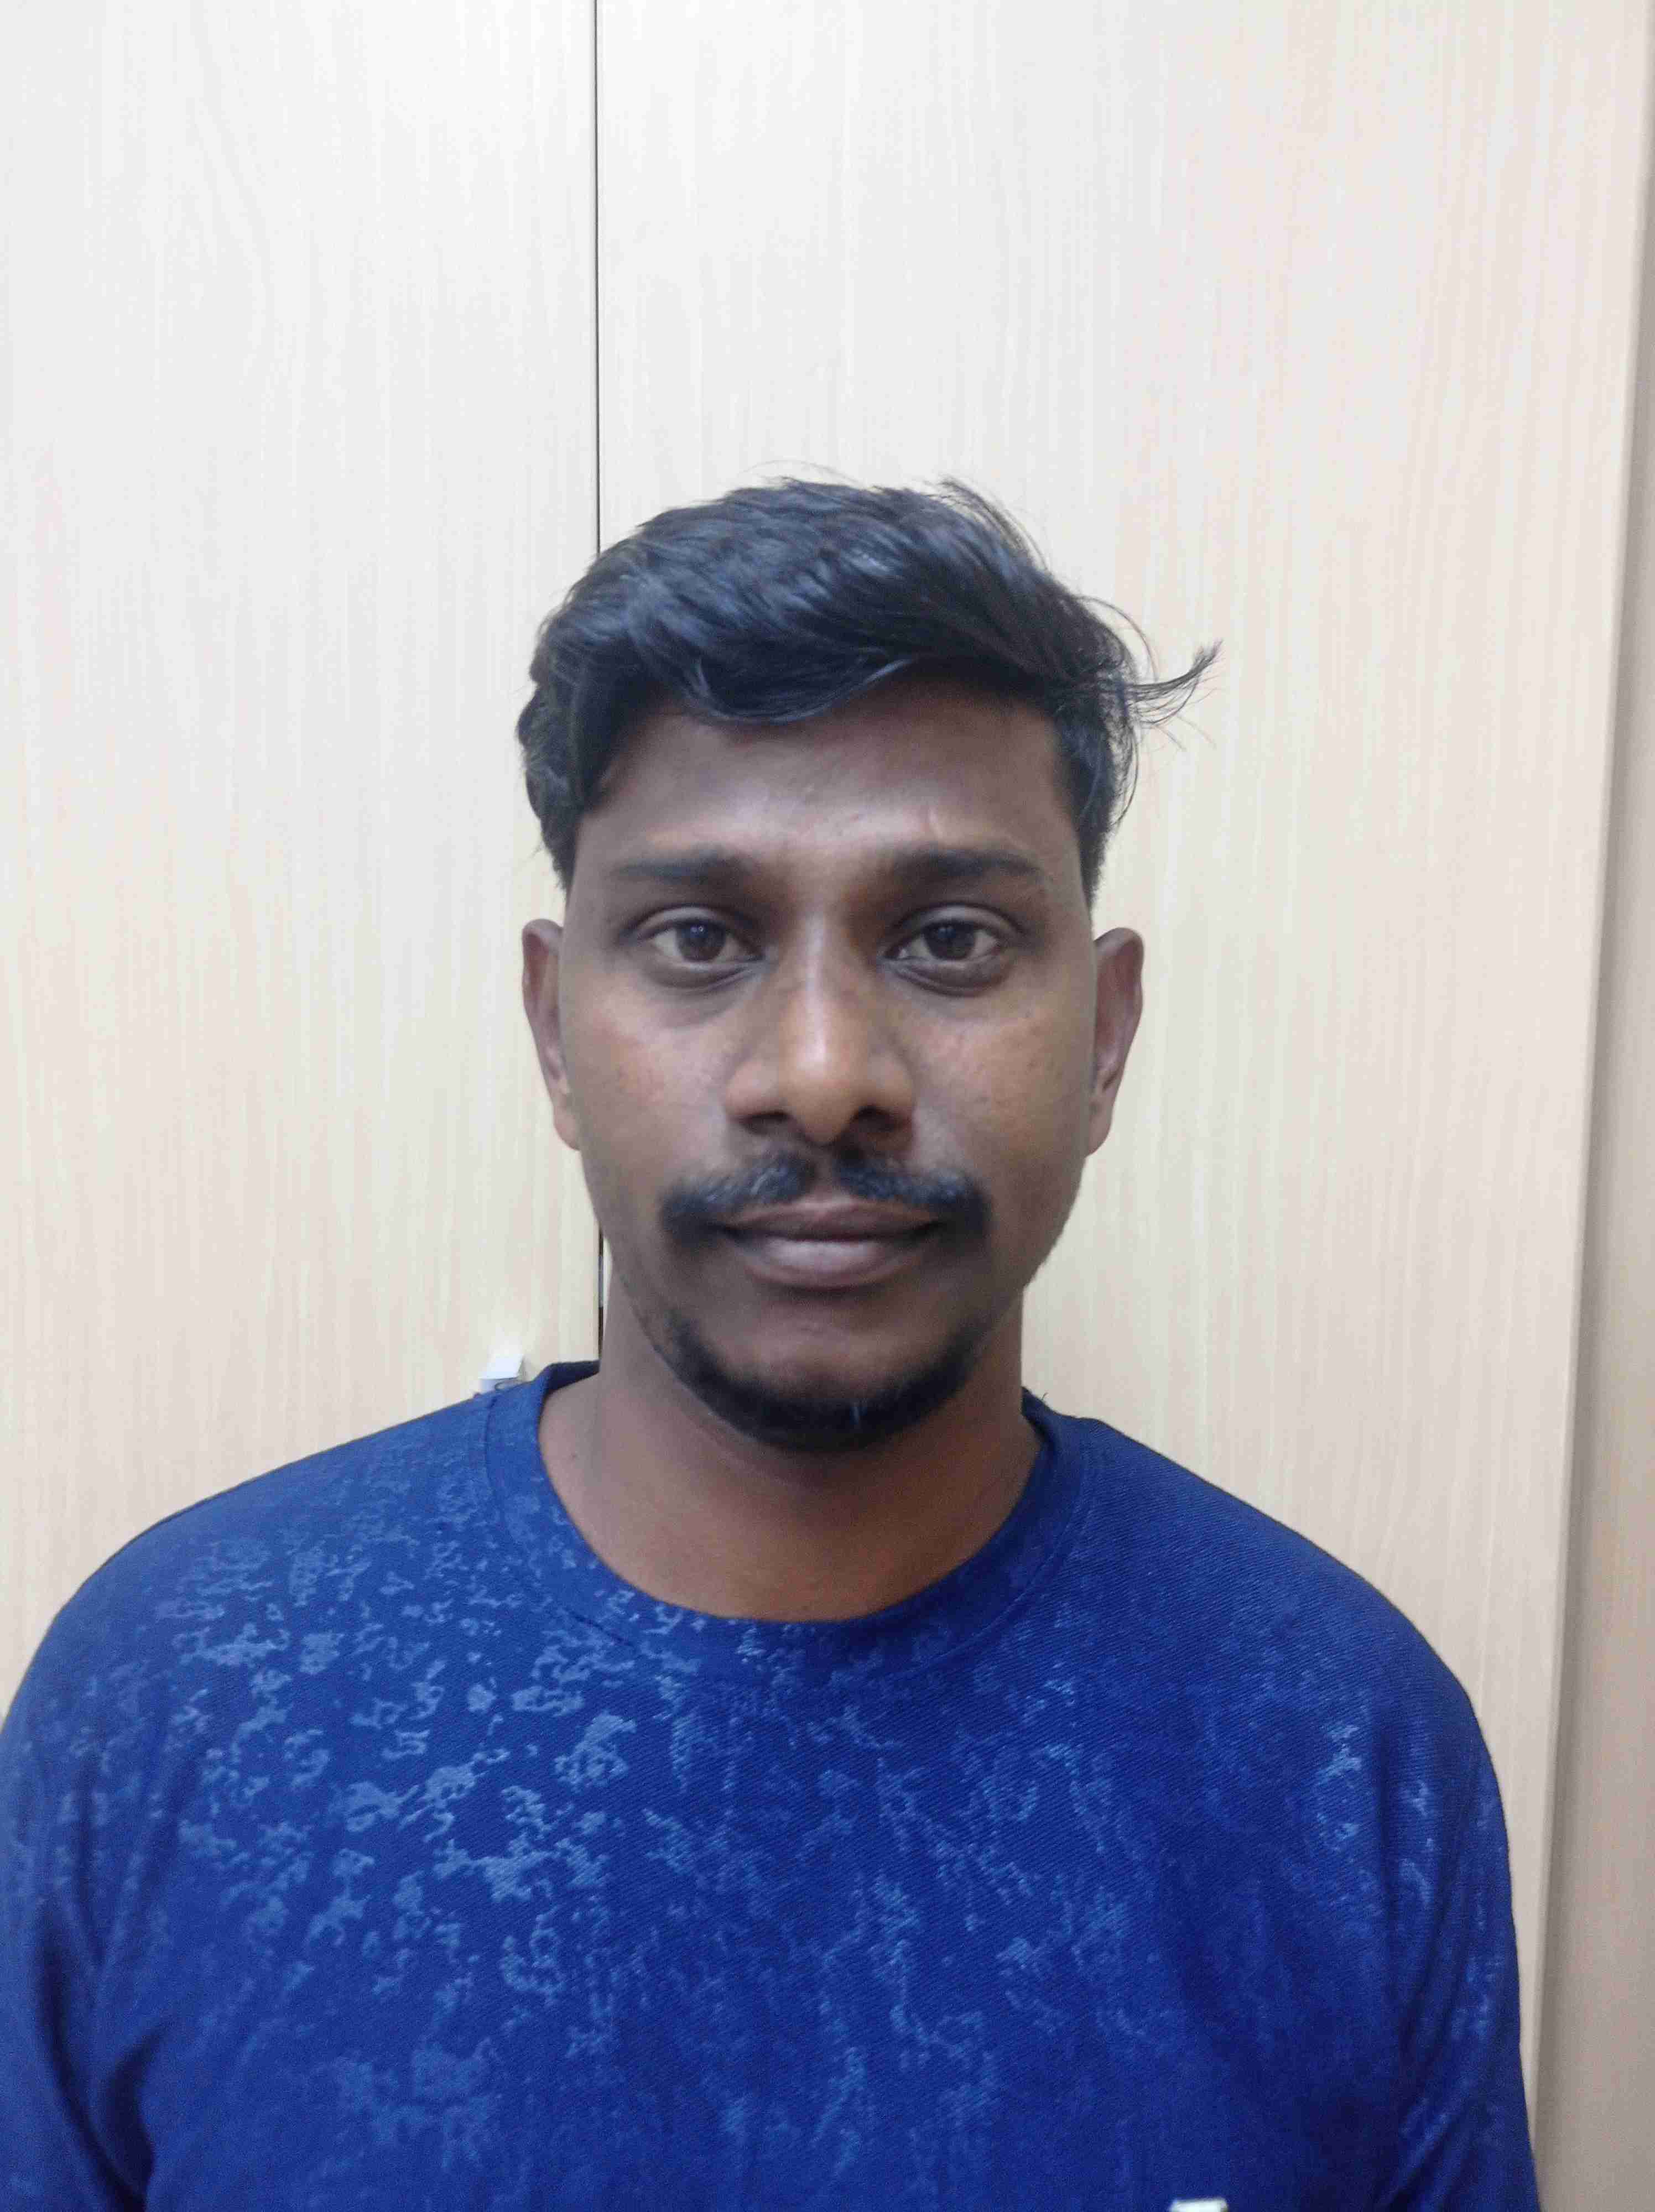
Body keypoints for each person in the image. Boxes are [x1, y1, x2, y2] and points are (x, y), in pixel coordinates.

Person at [0, 480, 1540, 2209]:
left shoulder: (1334, 1745)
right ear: (556, 1031)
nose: (822, 1075)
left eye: (949, 941)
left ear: (1105, 1038)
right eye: (701, 940)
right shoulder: (179, 1699)